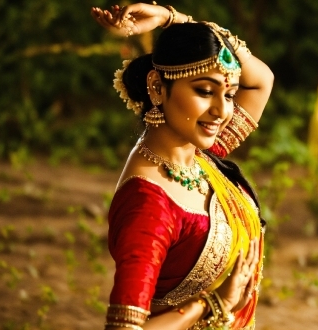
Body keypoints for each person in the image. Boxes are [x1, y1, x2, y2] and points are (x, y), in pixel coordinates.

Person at [91, 3, 274, 329]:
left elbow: (261, 81)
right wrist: (210, 304)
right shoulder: (148, 205)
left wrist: (173, 21)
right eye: (205, 91)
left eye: (229, 94)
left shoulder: (200, 156)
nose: (222, 111)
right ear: (158, 89)